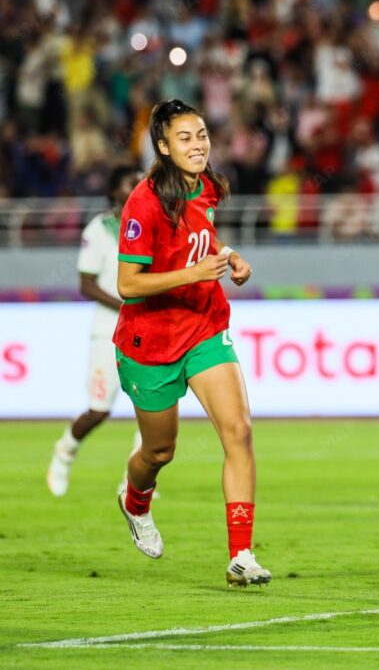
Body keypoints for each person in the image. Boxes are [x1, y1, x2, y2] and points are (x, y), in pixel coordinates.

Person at [114, 99, 270, 586]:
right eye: (185, 138)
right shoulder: (143, 202)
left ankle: (241, 556)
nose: (198, 144)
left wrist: (229, 256)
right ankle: (135, 500)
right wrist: (194, 272)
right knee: (159, 452)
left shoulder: (208, 187)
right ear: (163, 147)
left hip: (204, 326)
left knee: (239, 431)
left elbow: (199, 238)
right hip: (149, 341)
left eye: (201, 134)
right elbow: (127, 284)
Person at [47, 165, 143, 497]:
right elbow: (86, 284)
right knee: (99, 410)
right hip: (109, 331)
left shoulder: (153, 224)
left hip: (147, 331)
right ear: (114, 190)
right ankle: (65, 451)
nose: (138, 187)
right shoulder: (100, 229)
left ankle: (135, 482)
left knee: (152, 409)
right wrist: (125, 306)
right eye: (131, 182)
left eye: (142, 182)